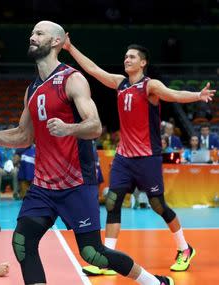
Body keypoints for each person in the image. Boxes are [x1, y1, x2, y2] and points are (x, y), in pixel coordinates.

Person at [0, 20, 174, 285]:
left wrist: (68, 128)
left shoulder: (72, 79)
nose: (32, 36)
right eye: (32, 32)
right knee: (22, 242)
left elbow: (95, 126)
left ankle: (154, 282)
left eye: (39, 33)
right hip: (43, 186)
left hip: (77, 182)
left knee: (92, 254)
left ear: (55, 42)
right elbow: (22, 136)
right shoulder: (32, 90)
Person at [65, 34, 215, 275]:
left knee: (158, 205)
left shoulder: (150, 86)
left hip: (148, 157)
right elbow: (92, 69)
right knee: (113, 202)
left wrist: (197, 96)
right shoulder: (120, 83)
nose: (127, 60)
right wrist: (70, 48)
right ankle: (108, 260)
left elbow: (174, 95)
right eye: (125, 56)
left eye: (132, 57)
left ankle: (185, 248)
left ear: (143, 63)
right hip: (124, 157)